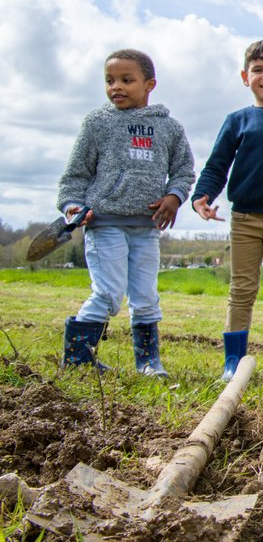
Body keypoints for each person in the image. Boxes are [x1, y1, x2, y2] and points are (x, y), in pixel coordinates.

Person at [58, 49, 196, 377]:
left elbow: (184, 171)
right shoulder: (97, 123)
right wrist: (72, 206)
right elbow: (75, 174)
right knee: (108, 293)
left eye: (126, 80)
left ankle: (148, 362)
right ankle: (77, 357)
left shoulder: (170, 129)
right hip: (105, 223)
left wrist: (174, 197)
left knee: (146, 297)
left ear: (150, 84)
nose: (115, 87)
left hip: (146, 228)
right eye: (109, 80)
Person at [192, 40, 263, 385]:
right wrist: (203, 195)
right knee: (241, 289)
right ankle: (233, 363)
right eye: (258, 70)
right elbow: (217, 166)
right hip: (245, 219)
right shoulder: (238, 120)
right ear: (245, 76)